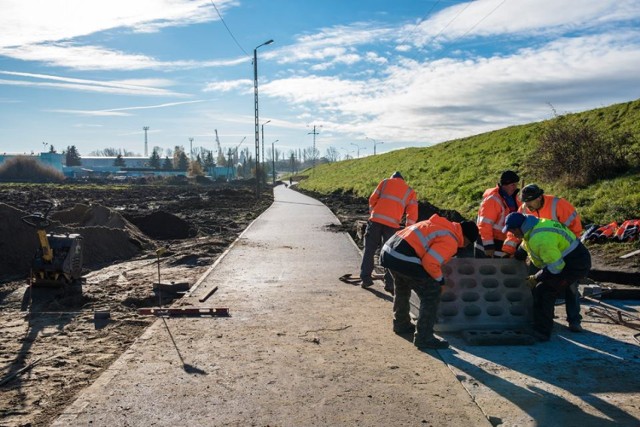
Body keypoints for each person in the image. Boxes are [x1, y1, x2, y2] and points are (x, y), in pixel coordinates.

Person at [380, 214, 479, 349]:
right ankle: (424, 337)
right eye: (468, 243)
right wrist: (440, 281)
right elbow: (430, 262)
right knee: (431, 294)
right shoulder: (451, 239)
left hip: (389, 252)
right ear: (466, 239)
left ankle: (401, 323)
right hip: (403, 257)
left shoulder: (438, 225)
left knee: (402, 286)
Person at [503, 184, 584, 326]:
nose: (527, 206)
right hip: (540, 253)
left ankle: (574, 320)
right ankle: (545, 316)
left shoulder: (559, 205)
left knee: (570, 286)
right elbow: (515, 231)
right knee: (539, 284)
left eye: (530, 202)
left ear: (539, 197)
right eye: (525, 203)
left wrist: (567, 248)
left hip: (563, 251)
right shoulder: (524, 209)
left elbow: (574, 228)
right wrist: (509, 250)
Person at [502, 213, 591, 341]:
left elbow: (556, 268)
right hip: (565, 258)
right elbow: (525, 244)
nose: (513, 234)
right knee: (543, 289)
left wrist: (536, 277)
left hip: (575, 265)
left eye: (513, 231)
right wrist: (517, 256)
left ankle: (543, 332)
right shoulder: (532, 227)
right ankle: (541, 323)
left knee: (544, 291)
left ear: (520, 227)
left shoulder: (541, 239)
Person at [360, 171, 418, 293]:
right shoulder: (409, 191)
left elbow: (372, 199)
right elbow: (412, 213)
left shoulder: (385, 182)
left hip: (375, 222)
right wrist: (408, 229)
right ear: (402, 179)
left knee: (369, 249)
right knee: (388, 253)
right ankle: (390, 284)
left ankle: (366, 279)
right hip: (392, 225)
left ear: (393, 178)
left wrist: (373, 213)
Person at [476, 170, 521, 258]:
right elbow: (484, 225)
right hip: (489, 245)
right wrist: (488, 245)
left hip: (502, 244)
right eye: (513, 185)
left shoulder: (514, 199)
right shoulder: (492, 200)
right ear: (504, 185)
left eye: (516, 184)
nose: (515, 187)